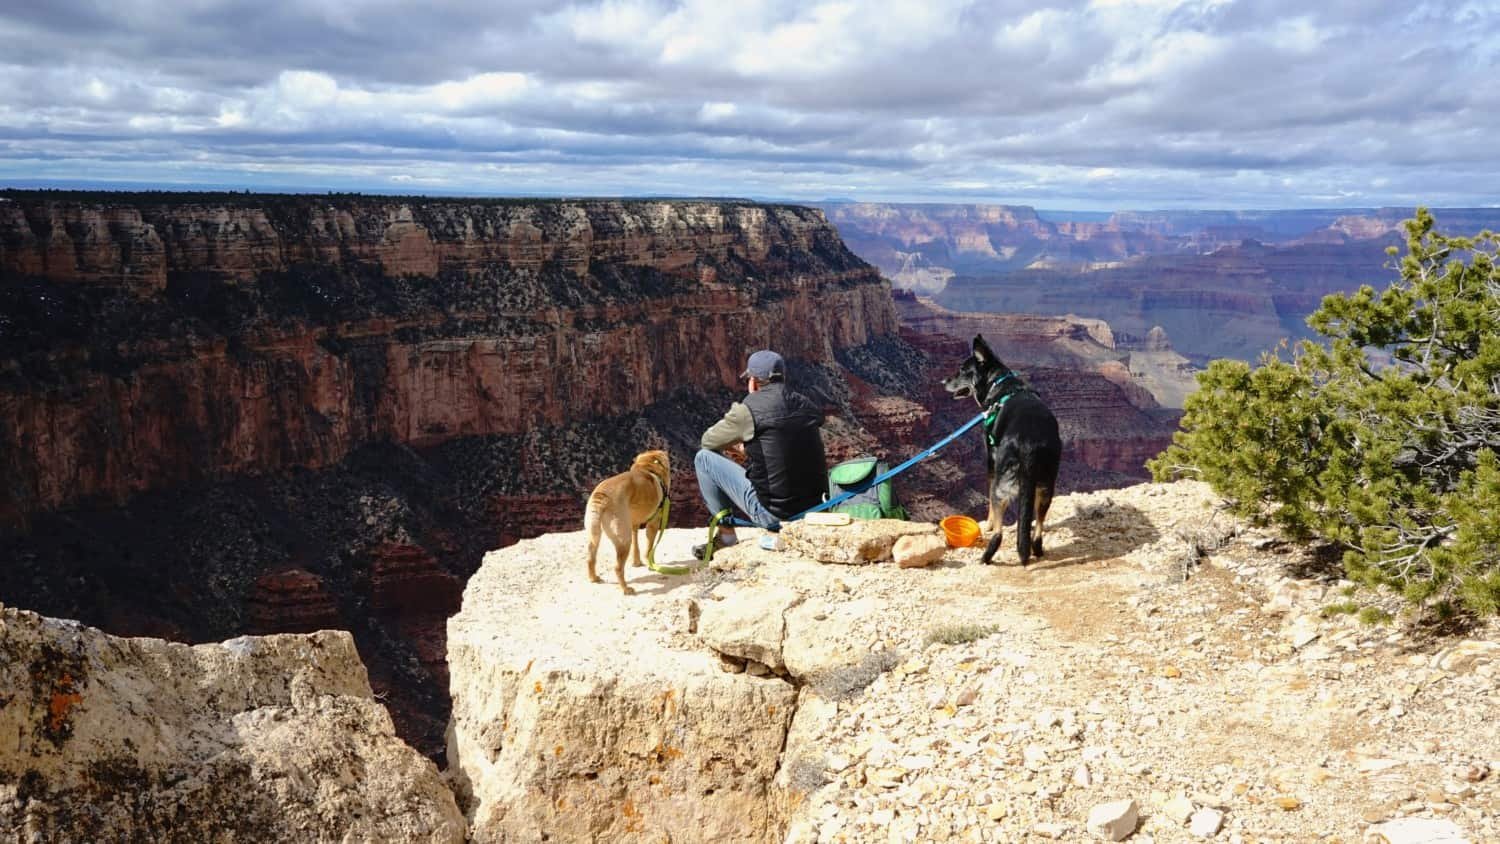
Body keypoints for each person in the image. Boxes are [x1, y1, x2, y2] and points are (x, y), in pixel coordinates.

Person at [694, 350, 827, 555]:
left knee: (703, 458)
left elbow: (708, 441)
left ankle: (726, 536)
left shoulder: (748, 409)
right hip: (816, 509)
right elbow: (785, 442)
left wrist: (739, 444)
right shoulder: (806, 403)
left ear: (754, 382)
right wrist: (751, 449)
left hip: (774, 515)